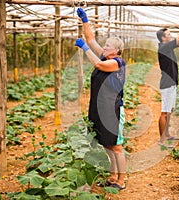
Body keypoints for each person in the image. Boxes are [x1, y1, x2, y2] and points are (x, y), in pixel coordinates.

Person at [76, 8, 126, 190]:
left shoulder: (116, 63)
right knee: (106, 144)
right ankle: (112, 177)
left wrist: (85, 49)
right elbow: (91, 39)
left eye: (107, 47)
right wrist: (85, 21)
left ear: (117, 51)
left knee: (116, 146)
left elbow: (97, 63)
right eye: (104, 46)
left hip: (112, 110)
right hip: (99, 108)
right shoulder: (106, 55)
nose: (103, 48)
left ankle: (121, 181)